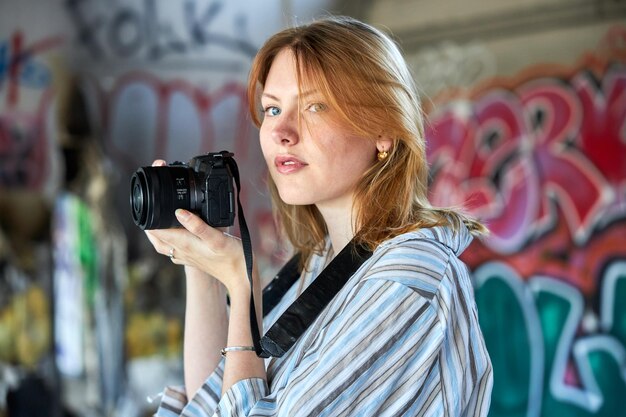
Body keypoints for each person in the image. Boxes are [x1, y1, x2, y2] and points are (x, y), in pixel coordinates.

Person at [145, 15, 493, 417]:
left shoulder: (410, 276)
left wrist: (244, 288)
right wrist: (202, 269)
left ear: (383, 129)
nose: (282, 132)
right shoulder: (320, 263)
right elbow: (214, 402)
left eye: (314, 106)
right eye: (272, 109)